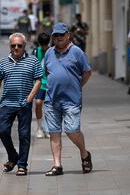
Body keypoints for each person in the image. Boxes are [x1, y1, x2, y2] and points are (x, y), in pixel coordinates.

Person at [43, 22, 92, 176]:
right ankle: (57, 165)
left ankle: (84, 153)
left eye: (61, 34)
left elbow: (87, 72)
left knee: (72, 130)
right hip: (51, 100)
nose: (58, 37)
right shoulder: (49, 53)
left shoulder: (77, 52)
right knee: (54, 132)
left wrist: (77, 86)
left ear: (68, 35)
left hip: (71, 100)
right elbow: (47, 72)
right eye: (55, 35)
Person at [0, 33, 43, 176]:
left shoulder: (33, 61)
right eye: (13, 45)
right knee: (3, 132)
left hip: (24, 104)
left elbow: (39, 80)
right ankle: (13, 156)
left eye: (19, 45)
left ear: (24, 46)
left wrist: (30, 98)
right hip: (7, 103)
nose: (16, 48)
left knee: (24, 135)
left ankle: (22, 165)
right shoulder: (3, 62)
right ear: (10, 46)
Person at [31, 32, 51, 139]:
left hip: (51, 83)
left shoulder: (52, 51)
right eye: (42, 45)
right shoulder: (35, 51)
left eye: (45, 44)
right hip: (39, 82)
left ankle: (48, 128)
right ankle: (39, 127)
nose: (43, 47)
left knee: (49, 106)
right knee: (38, 103)